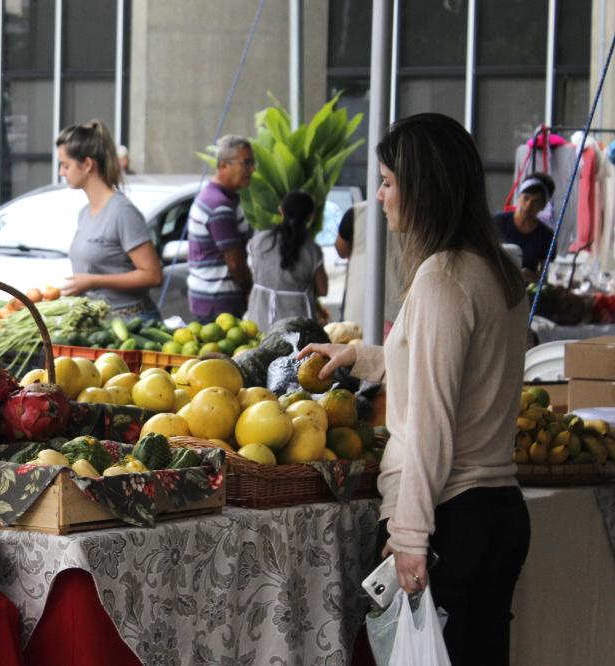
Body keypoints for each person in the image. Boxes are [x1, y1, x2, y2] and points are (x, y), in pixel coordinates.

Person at [301, 113, 529, 665]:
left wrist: (409, 537)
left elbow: (431, 422)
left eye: (387, 182)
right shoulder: (495, 270)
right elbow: (457, 371)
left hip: (452, 519)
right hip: (497, 514)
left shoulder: (442, 280)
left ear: (422, 190)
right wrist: (361, 356)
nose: (379, 197)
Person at [55, 120, 163, 320]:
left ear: (87, 165)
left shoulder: (122, 212)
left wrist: (93, 281)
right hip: (100, 324)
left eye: (65, 165)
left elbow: (153, 275)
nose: (61, 172)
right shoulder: (84, 213)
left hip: (132, 325)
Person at [186, 135, 254, 322]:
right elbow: (235, 263)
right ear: (224, 165)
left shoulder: (216, 196)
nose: (252, 169)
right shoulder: (219, 205)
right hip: (219, 303)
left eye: (252, 162)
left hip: (211, 300)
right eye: (246, 163)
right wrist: (251, 290)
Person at [243, 190, 327, 331]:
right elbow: (323, 289)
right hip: (297, 322)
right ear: (311, 216)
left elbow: (254, 271)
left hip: (260, 316)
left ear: (281, 211)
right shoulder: (312, 250)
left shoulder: (258, 241)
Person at [493, 172, 556, 281]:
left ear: (543, 206)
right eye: (526, 198)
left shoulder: (546, 236)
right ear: (519, 197)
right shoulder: (497, 222)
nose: (528, 206)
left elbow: (544, 277)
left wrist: (531, 276)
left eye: (535, 202)